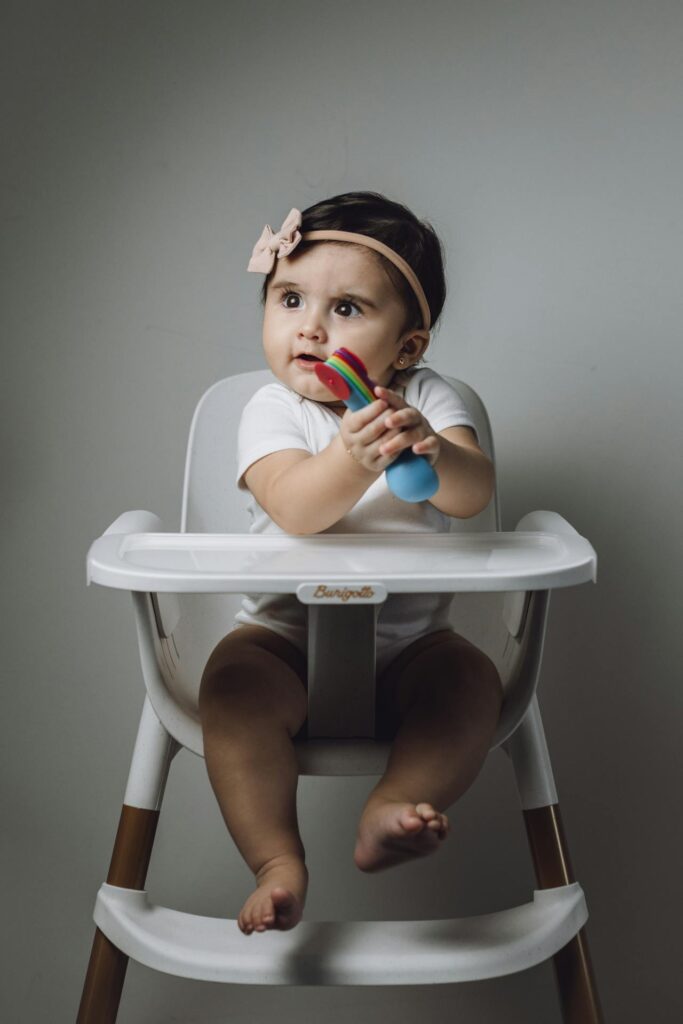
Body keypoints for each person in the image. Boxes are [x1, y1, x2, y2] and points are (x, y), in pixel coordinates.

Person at [199, 191, 504, 936]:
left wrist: (433, 445)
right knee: (231, 688)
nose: (308, 326)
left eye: (346, 309)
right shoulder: (274, 411)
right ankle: (276, 860)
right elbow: (296, 507)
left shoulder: (425, 400)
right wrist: (347, 456)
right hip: (283, 642)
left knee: (469, 683)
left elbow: (471, 494)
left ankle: (392, 805)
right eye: (290, 298)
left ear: (406, 347)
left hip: (410, 649)